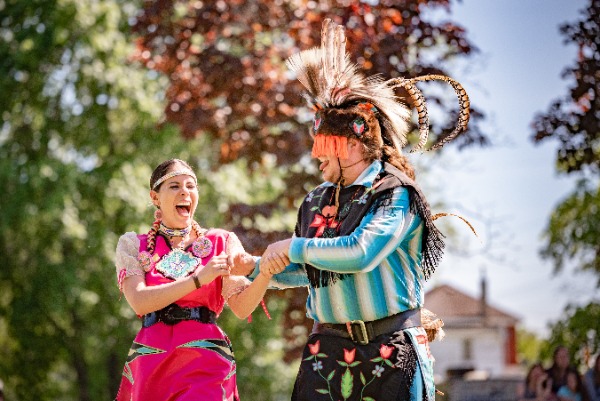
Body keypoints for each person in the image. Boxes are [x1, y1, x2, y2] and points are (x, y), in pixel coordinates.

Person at [240, 18, 470, 401]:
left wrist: (291, 247)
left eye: (321, 144)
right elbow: (310, 272)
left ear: (348, 143)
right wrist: (254, 266)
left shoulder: (397, 194)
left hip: (391, 349)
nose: (315, 156)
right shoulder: (317, 199)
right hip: (326, 352)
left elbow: (361, 253)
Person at [113, 158, 280, 401]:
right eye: (174, 186)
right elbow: (139, 301)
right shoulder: (133, 245)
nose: (185, 192)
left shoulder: (222, 242)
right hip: (152, 361)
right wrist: (199, 279)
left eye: (191, 186)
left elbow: (242, 308)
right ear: (155, 197)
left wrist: (265, 273)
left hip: (204, 358)